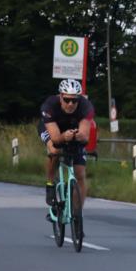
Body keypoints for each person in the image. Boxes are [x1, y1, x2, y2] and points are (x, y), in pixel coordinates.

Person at [38, 79, 95, 225]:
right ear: (60, 96)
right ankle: (50, 183)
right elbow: (56, 139)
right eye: (67, 100)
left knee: (80, 174)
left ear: (79, 99)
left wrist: (79, 136)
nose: (70, 104)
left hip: (72, 130)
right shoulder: (50, 105)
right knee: (55, 150)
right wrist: (64, 137)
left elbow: (84, 135)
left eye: (74, 100)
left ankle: (77, 214)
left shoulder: (86, 106)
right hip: (52, 129)